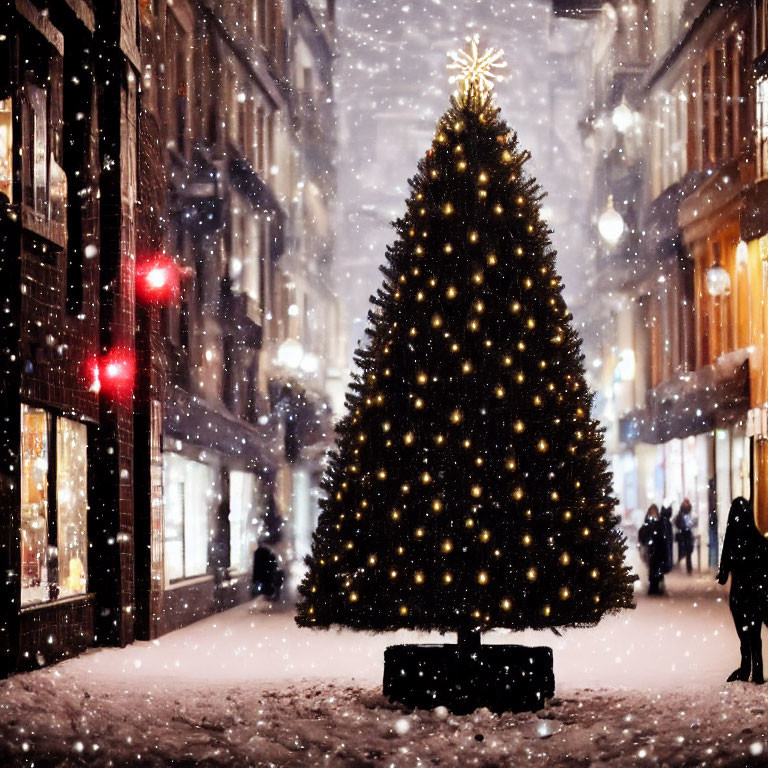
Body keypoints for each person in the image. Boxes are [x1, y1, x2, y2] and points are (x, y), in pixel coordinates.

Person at [717, 497, 768, 684]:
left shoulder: (731, 538)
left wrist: (724, 573)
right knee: (755, 634)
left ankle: (746, 668)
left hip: (739, 594)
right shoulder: (756, 537)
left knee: (744, 635)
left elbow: (723, 574)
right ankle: (758, 671)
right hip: (755, 592)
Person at [638, 504, 666, 595]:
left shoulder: (660, 523)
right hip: (651, 549)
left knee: (658, 569)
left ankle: (657, 587)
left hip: (659, 548)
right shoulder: (648, 523)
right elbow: (643, 534)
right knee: (652, 568)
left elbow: (662, 534)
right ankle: (653, 587)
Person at [675, 498, 696, 574]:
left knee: (688, 552)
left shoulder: (691, 513)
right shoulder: (680, 514)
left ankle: (689, 569)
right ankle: (681, 567)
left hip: (688, 534)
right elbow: (677, 522)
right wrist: (681, 527)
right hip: (682, 534)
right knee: (681, 552)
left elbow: (694, 523)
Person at [660, 503, 674, 575]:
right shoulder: (666, 522)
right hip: (667, 539)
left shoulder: (664, 521)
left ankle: (667, 566)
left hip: (667, 539)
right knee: (667, 552)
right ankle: (667, 565)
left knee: (667, 552)